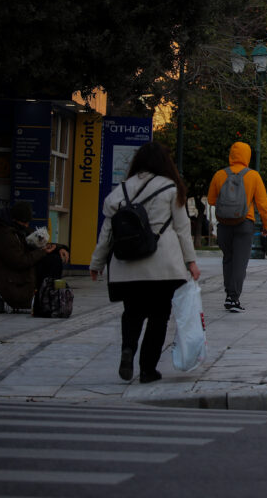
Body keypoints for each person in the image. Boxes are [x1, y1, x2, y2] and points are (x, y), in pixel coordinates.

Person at [90, 141, 200, 383]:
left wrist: (96, 263)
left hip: (126, 265)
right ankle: (148, 369)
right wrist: (191, 261)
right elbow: (182, 229)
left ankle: (128, 348)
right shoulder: (171, 188)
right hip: (162, 267)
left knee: (132, 312)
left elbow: (107, 231)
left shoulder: (120, 191)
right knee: (159, 316)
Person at [206, 141, 267, 313]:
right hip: (244, 223)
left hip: (224, 224)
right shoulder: (253, 176)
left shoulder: (220, 175)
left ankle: (229, 293)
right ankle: (233, 298)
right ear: (247, 156)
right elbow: (262, 204)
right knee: (240, 263)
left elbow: (211, 200)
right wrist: (266, 225)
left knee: (228, 259)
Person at [0, 201, 67, 312]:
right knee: (50, 261)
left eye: (28, 222)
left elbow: (40, 242)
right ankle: (47, 298)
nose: (27, 225)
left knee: (53, 259)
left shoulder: (19, 229)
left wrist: (58, 248)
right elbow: (19, 261)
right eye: (24, 222)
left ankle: (51, 297)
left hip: (22, 273)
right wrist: (43, 252)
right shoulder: (6, 234)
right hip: (13, 279)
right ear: (15, 219)